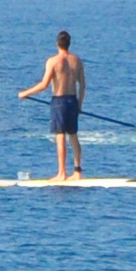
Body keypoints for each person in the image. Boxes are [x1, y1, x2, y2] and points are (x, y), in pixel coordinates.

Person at [18, 30, 86, 180]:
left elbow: (44, 85)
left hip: (59, 102)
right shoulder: (77, 61)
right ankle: (77, 172)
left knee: (60, 136)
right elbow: (82, 85)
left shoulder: (53, 61)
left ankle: (61, 173)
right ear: (69, 44)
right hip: (73, 101)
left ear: (57, 44)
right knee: (73, 136)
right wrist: (79, 104)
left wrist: (25, 93)